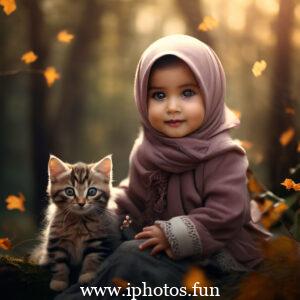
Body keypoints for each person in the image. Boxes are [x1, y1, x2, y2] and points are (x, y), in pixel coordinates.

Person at [56, 34, 271, 300]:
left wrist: (173, 234)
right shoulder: (146, 149)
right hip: (160, 252)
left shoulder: (224, 155)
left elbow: (227, 213)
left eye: (188, 93)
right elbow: (133, 197)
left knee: (131, 256)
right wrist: (106, 215)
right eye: (159, 95)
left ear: (212, 93)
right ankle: (89, 287)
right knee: (109, 242)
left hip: (213, 265)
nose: (172, 107)